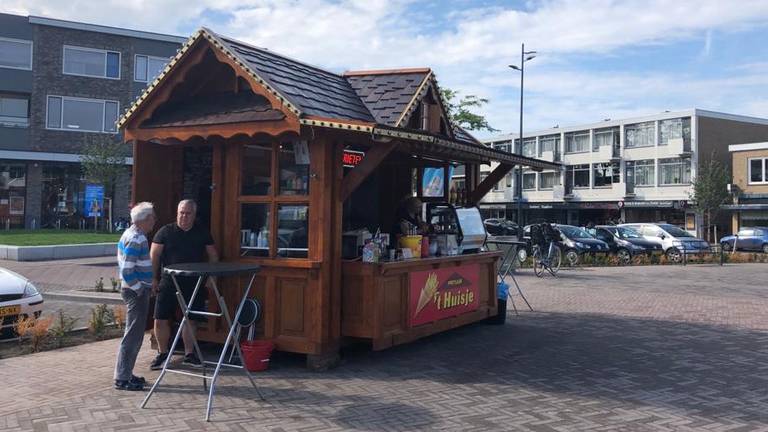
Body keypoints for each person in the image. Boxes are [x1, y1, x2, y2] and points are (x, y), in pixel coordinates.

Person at [150, 199, 218, 370]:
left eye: (188, 213)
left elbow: (213, 256)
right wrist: (153, 278)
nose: (184, 216)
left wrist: (212, 276)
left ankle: (189, 354)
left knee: (191, 319)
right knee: (160, 318)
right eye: (181, 212)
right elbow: (154, 255)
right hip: (168, 280)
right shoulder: (165, 231)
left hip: (194, 282)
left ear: (194, 215)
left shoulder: (202, 232)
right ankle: (162, 353)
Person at [114, 202, 156, 391]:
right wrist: (140, 289)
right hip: (135, 292)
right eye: (152, 217)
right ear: (145, 219)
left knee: (134, 334)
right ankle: (122, 377)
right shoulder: (138, 238)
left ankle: (126, 373)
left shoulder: (130, 234)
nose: (154, 221)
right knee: (133, 335)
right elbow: (127, 270)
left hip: (133, 290)